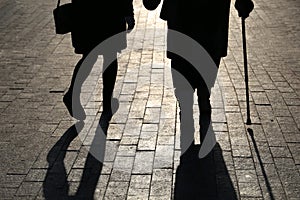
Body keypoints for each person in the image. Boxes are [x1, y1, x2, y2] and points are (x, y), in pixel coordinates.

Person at [143, 0, 254, 159]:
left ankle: (193, 99)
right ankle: (199, 97)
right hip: (208, 15)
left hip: (190, 16)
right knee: (203, 56)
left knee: (189, 60)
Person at [63, 0, 135, 121]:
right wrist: (128, 12)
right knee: (110, 55)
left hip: (86, 10)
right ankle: (107, 103)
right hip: (112, 10)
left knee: (90, 54)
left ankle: (73, 93)